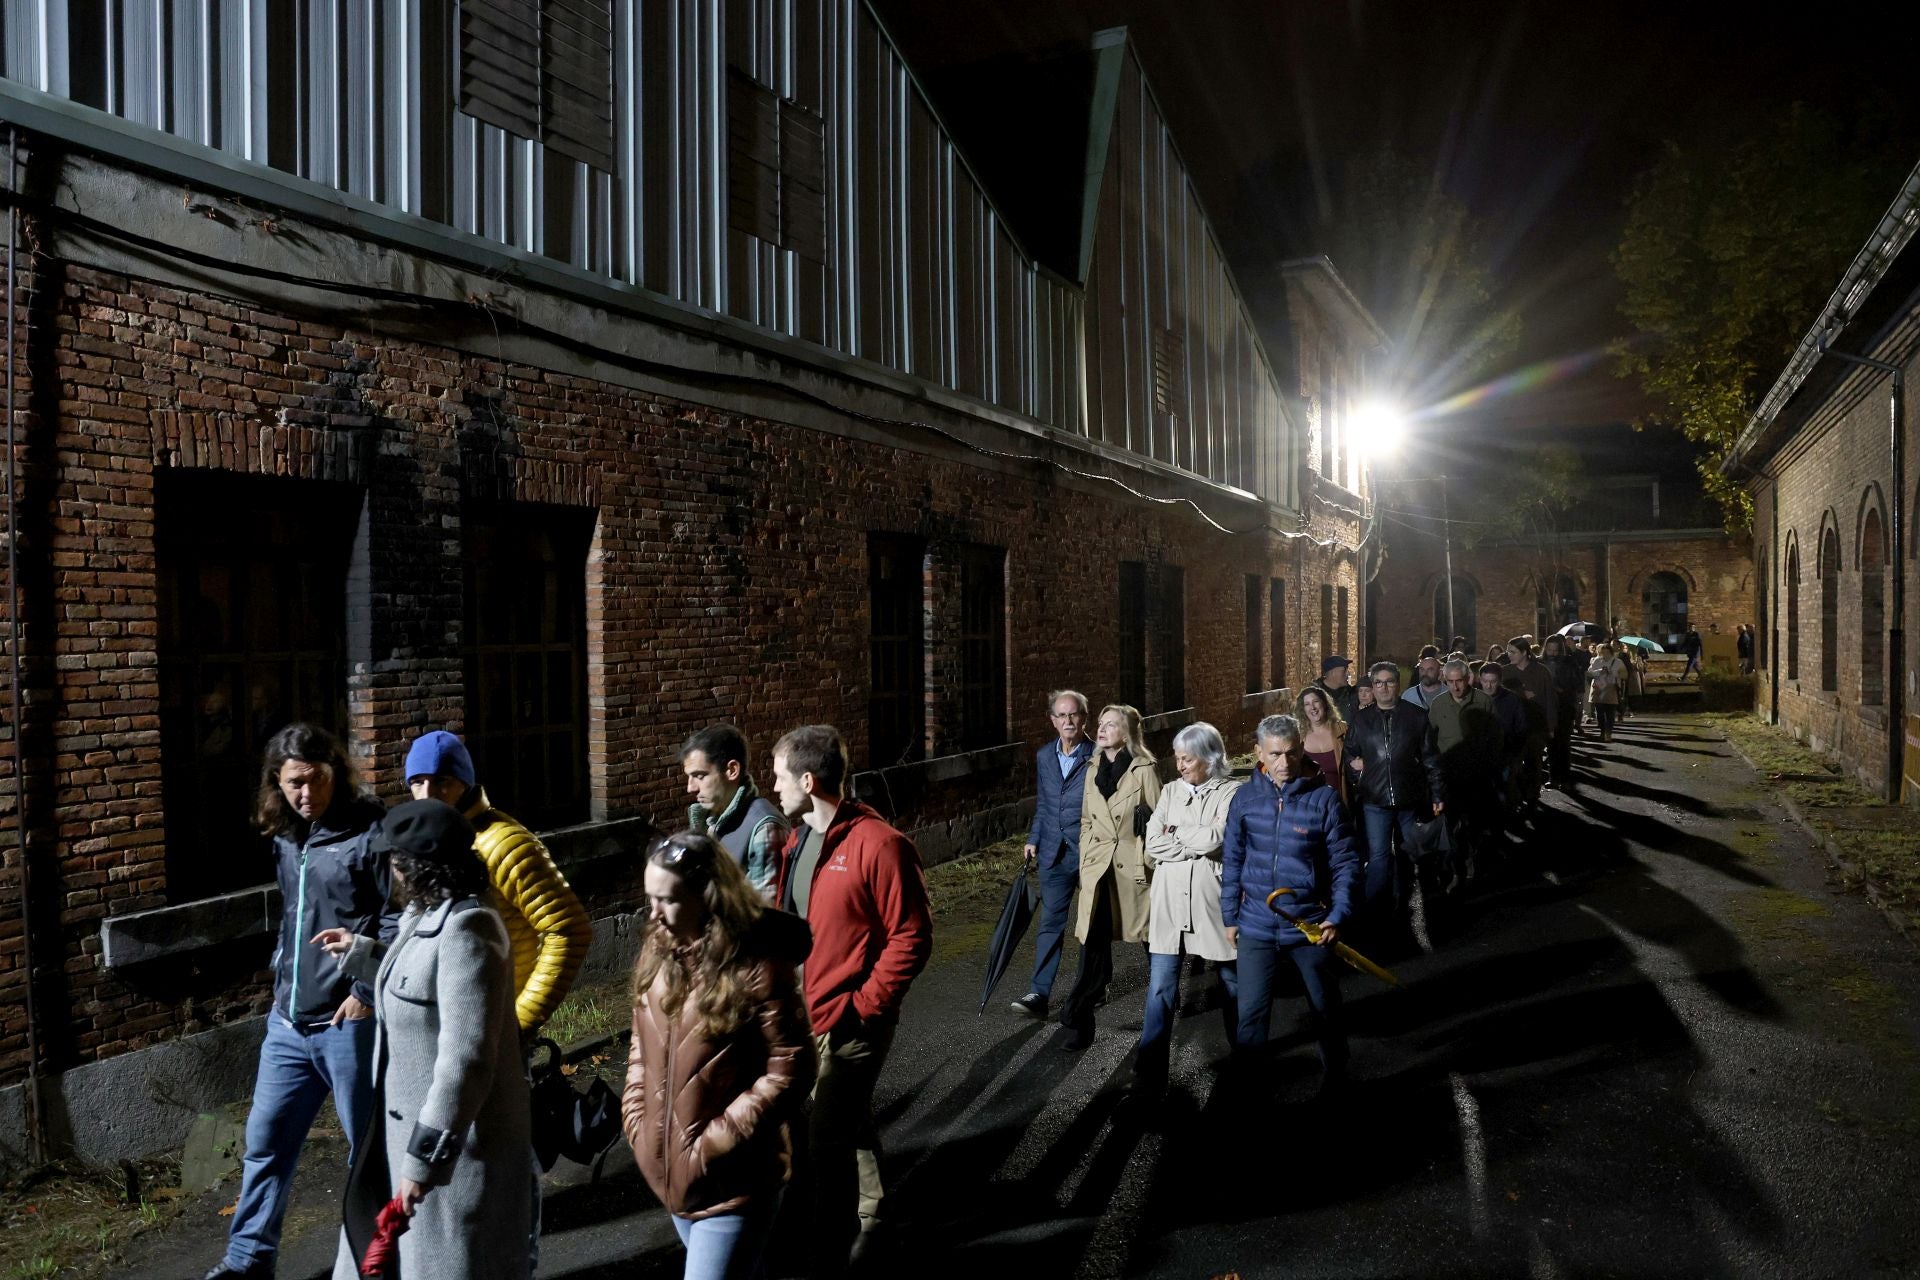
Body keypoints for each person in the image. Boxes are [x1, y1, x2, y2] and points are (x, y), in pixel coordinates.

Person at [317, 800, 530, 1280]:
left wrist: (422, 1163)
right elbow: (417, 986)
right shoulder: (425, 914)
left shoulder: (468, 930)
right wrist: (363, 953)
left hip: (450, 1163)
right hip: (396, 1144)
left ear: (417, 867)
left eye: (393, 860)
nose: (387, 869)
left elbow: (466, 1059)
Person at [208, 725, 391, 1280]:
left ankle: (378, 1263)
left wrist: (364, 993)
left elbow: (393, 917)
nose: (304, 794)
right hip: (287, 1024)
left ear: (335, 772)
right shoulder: (287, 837)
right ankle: (247, 1261)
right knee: (264, 1145)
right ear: (277, 783)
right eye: (293, 784)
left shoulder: (370, 832)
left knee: (369, 1157)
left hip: (345, 1023)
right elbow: (294, 915)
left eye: (313, 781)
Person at [771, 725, 932, 1276]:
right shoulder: (798, 841)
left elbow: (911, 936)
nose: (774, 786)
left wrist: (863, 1005)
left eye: (779, 776)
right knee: (850, 1119)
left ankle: (829, 1254)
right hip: (806, 1009)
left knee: (825, 1139)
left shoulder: (880, 844)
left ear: (808, 780)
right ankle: (877, 1223)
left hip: (853, 1019)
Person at [622, 833, 816, 1280]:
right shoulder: (659, 949)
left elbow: (793, 1068)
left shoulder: (757, 965)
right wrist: (636, 1121)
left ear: (706, 897)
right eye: (649, 898)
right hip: (675, 1178)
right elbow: (640, 1048)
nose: (653, 914)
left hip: (734, 1183)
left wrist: (711, 1144)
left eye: (667, 900)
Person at [403, 731, 593, 1037]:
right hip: (449, 1024)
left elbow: (569, 931)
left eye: (442, 782)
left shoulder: (504, 844)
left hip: (493, 1024)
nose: (427, 795)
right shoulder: (432, 842)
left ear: (464, 783)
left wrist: (518, 1023)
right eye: (417, 782)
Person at [1221, 715, 1360, 1093]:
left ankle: (1337, 1076)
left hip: (1310, 926)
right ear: (1258, 753)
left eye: (1291, 753)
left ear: (1301, 749)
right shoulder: (1245, 799)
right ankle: (1248, 1092)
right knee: (1250, 1015)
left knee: (1324, 1007)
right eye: (1275, 754)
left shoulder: (1325, 799)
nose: (1284, 763)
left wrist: (1337, 915)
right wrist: (1230, 916)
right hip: (1256, 925)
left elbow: (1346, 863)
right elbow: (1232, 859)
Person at [1133, 722, 1241, 1099]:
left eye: (1187, 758)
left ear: (1210, 758)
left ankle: (1244, 1069)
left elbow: (1220, 837)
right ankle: (1148, 1081)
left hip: (1211, 900)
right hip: (1168, 901)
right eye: (1177, 758)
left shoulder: (1232, 793)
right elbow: (1152, 843)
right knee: (1160, 988)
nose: (1179, 765)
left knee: (1231, 984)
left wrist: (1175, 832)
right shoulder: (1169, 791)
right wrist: (1191, 836)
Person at [1061, 704, 1161, 1051]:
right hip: (1099, 869)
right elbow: (1087, 818)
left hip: (1134, 871)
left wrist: (1145, 859)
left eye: (1111, 725)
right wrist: (1087, 858)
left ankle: (1162, 1005)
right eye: (1100, 724)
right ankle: (1079, 1021)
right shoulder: (1092, 768)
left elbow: (1159, 822)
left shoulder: (1144, 769)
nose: (1101, 730)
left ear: (1128, 732)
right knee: (1093, 947)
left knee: (1154, 945)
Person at [1013, 691, 1095, 1019]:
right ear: (1052, 720)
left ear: (1084, 718)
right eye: (1061, 716)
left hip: (1090, 852)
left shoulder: (1099, 755)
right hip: (1053, 852)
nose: (1068, 722)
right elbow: (1045, 802)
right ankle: (1039, 993)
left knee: (1092, 926)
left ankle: (1092, 984)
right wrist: (1034, 838)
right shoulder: (1044, 755)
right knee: (1050, 923)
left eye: (1073, 715)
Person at [1344, 663, 1444, 926]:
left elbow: (1431, 759)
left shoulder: (1416, 716)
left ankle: (1403, 903)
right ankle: (1375, 909)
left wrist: (1437, 794)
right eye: (1378, 683)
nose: (1384, 687)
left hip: (1408, 797)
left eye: (1389, 682)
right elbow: (1350, 752)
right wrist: (1359, 775)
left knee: (1408, 854)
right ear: (1373, 687)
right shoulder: (1361, 720)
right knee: (1377, 857)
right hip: (1374, 799)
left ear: (1398, 685)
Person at [682, 724, 789, 899]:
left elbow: (762, 914)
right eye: (689, 777)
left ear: (732, 770)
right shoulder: (710, 821)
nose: (690, 788)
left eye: (699, 776)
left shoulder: (764, 828)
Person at [1424, 660, 1502, 886]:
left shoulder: (1483, 702)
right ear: (1444, 680)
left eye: (1460, 681)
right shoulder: (1438, 705)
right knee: (1450, 826)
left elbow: (1496, 739)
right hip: (1448, 778)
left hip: (1478, 777)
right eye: (1451, 682)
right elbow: (1429, 741)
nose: (1456, 687)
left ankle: (1472, 861)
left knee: (1474, 825)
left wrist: (1492, 769)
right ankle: (1453, 866)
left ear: (1468, 679)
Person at [1499, 637, 1558, 812]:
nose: (1509, 655)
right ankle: (1517, 795)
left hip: (1535, 724)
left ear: (1524, 652)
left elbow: (1550, 699)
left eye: (1513, 652)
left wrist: (1551, 726)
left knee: (1534, 761)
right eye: (1508, 651)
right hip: (1512, 726)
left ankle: (1532, 795)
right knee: (1514, 762)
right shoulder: (1505, 671)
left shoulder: (1541, 671)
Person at [1476, 663, 1529, 817]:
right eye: (1485, 681)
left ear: (1499, 681)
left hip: (1505, 754)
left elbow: (1521, 728)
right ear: (1480, 680)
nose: (1489, 686)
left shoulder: (1512, 699)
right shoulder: (1474, 698)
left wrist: (1515, 755)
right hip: (1481, 755)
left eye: (1492, 681)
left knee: (1503, 790)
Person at [1539, 635, 1585, 789]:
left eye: (1555, 650)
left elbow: (1577, 683)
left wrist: (1561, 689)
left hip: (1564, 706)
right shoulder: (1540, 662)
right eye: (1549, 649)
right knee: (1551, 744)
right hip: (1547, 708)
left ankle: (1564, 779)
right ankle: (1554, 777)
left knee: (1563, 743)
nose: (1552, 653)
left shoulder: (1568, 662)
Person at [1296, 686, 1351, 810]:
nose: (1313, 707)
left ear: (1325, 704)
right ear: (1303, 709)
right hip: (1308, 807)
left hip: (1340, 804)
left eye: (1316, 702)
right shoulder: (1297, 737)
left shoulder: (1342, 730)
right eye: (1307, 704)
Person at [1588, 641, 1629, 743]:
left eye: (1607, 652)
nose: (1605, 655)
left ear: (1611, 652)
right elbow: (1589, 673)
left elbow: (1625, 675)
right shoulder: (1597, 661)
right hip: (1599, 689)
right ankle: (1602, 732)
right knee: (1600, 714)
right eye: (1603, 652)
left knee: (1610, 714)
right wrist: (1598, 672)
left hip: (1611, 689)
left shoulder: (1618, 662)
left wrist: (1614, 674)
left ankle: (1608, 733)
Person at [1309, 655, 1359, 722]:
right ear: (1332, 673)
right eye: (1344, 670)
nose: (1348, 674)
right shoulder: (1312, 694)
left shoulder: (1352, 693)